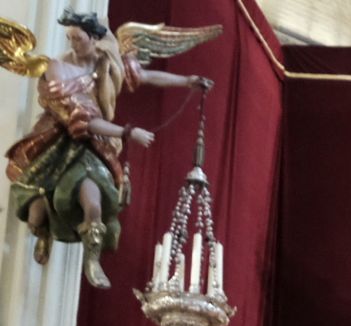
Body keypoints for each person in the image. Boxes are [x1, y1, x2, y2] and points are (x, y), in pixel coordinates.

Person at [4, 12, 215, 288]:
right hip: (56, 141)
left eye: (78, 38)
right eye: (69, 38)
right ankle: (43, 232)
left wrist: (187, 80)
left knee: (93, 204)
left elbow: (146, 75)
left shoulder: (108, 65)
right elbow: (83, 121)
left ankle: (92, 260)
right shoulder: (58, 69)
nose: (73, 44)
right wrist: (128, 133)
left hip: (90, 149)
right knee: (36, 215)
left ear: (94, 39)